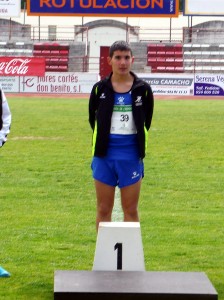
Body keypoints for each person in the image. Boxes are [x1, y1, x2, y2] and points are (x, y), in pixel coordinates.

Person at [89, 40, 154, 230]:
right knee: (103, 209)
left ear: (132, 59)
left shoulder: (143, 89)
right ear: (109, 60)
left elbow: (146, 121)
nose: (122, 62)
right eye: (118, 57)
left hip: (131, 156)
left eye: (126, 57)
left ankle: (130, 259)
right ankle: (104, 258)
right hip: (104, 157)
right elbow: (92, 119)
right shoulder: (99, 89)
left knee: (131, 210)